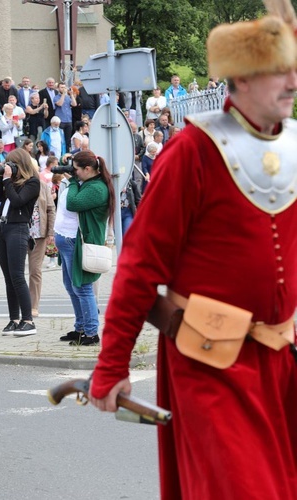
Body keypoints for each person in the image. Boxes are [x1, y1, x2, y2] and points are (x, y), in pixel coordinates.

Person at [90, 11, 297, 499]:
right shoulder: (191, 152)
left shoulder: (292, 148)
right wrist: (113, 365)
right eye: (278, 71)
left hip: (282, 364)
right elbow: (140, 268)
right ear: (242, 78)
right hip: (210, 364)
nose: (292, 82)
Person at [56, 150, 114, 347]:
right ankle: (80, 327)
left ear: (88, 169)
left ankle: (91, 332)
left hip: (81, 243)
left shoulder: (96, 188)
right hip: (69, 241)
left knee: (82, 287)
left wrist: (72, 182)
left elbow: (73, 203)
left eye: (76, 170)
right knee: (72, 286)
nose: (75, 173)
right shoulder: (89, 183)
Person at [0, 148, 41, 335]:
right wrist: (1, 178)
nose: (8, 167)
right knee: (8, 278)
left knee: (17, 276)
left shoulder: (32, 183)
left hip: (18, 229)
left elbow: (18, 201)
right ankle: (14, 319)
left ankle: (28, 320)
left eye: (11, 164)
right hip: (3, 229)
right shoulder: (9, 182)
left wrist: (7, 180)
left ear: (20, 165)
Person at [28, 164, 56, 317]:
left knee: (35, 270)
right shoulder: (18, 186)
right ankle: (20, 305)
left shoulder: (43, 187)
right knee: (16, 273)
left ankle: (33, 305)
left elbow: (51, 209)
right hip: (20, 234)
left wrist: (50, 232)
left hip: (39, 234)